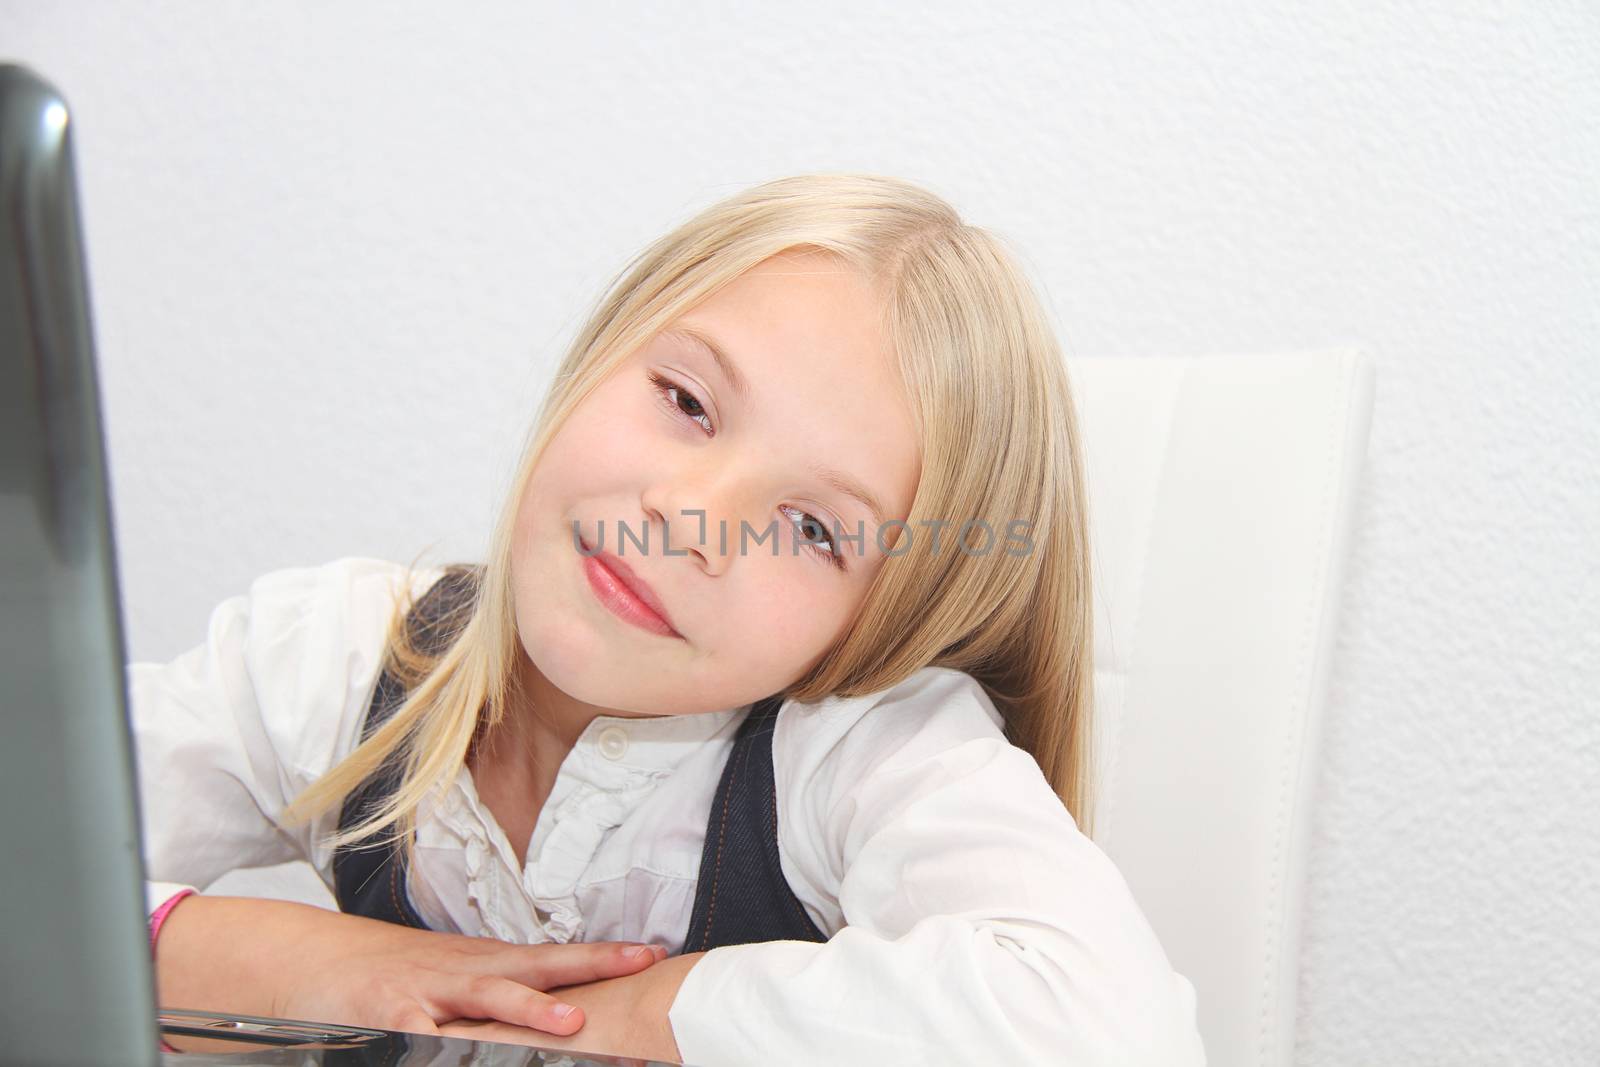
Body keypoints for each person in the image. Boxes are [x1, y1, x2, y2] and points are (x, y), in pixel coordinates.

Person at [135, 173, 1206, 1065]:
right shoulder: (340, 652)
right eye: (687, 402)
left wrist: (627, 1016)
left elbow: (1109, 1029)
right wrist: (244, 953)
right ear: (601, 350)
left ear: (884, 622)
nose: (688, 520)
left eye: (811, 527)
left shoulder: (860, 747)